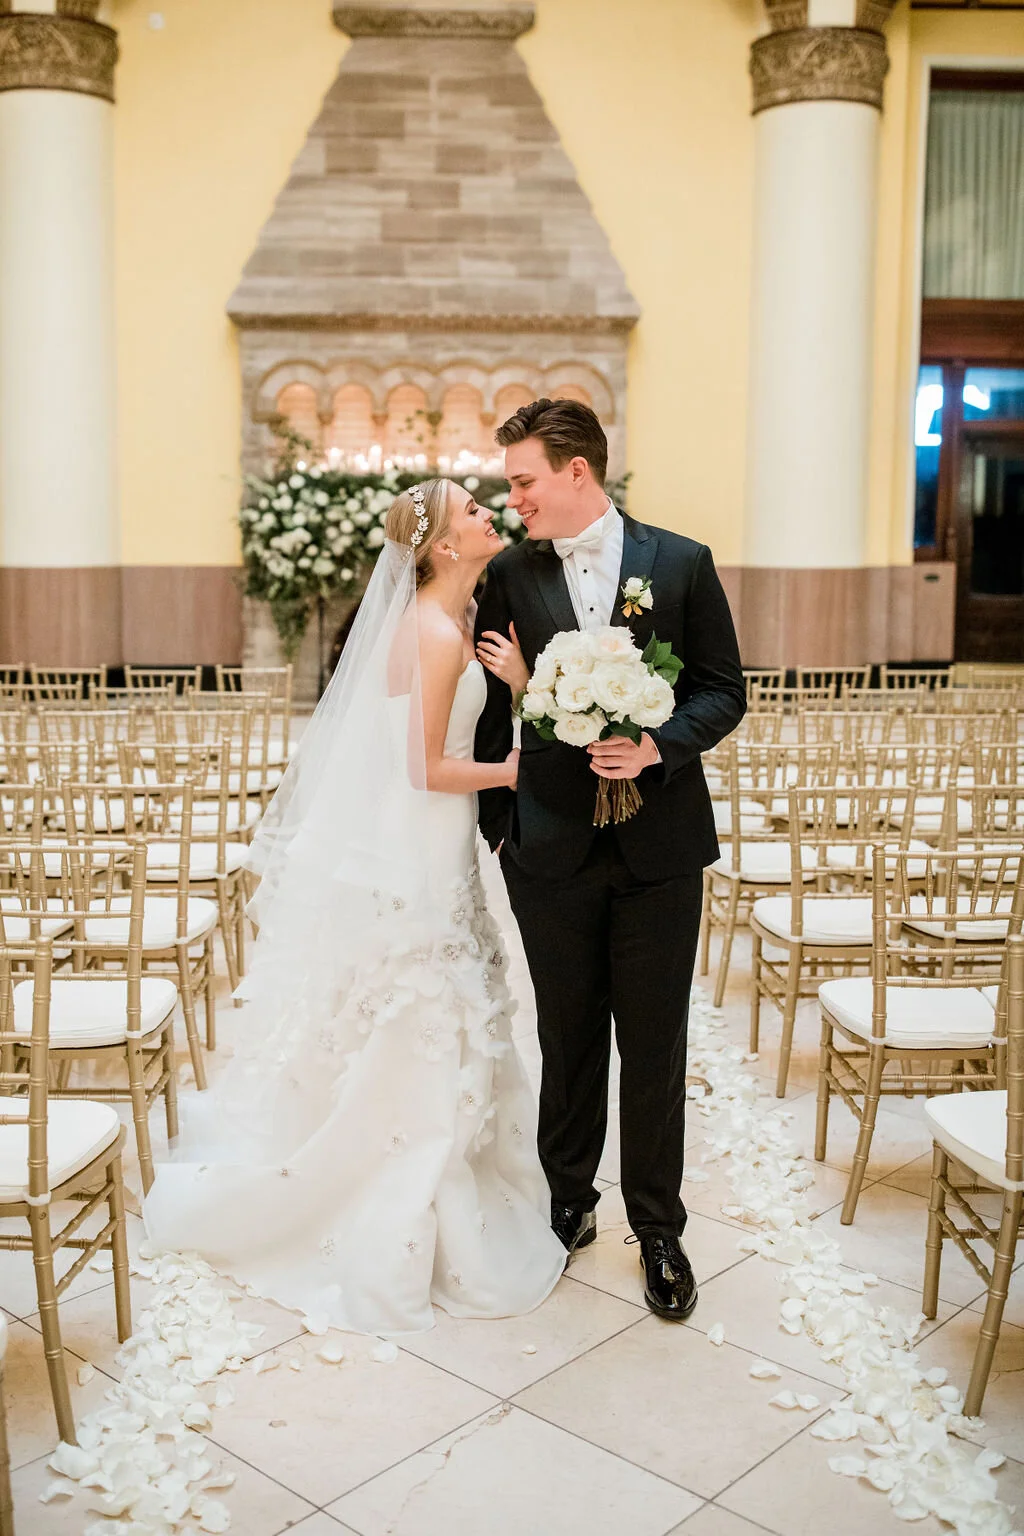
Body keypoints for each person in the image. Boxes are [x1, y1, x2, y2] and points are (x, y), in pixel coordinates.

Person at [144, 479, 566, 1336]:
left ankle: (437, 1146)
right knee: (422, 1004)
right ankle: (399, 1168)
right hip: (421, 836)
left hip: (433, 843)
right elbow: (426, 769)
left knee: (444, 1001)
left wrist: (520, 689)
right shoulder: (430, 633)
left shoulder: (452, 624)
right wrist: (518, 770)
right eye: (474, 513)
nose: (491, 516)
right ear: (445, 546)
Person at [474, 399, 746, 1322]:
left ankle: (659, 1228)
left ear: (576, 472)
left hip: (661, 845)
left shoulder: (681, 561)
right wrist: (497, 818)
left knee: (655, 1040)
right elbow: (485, 706)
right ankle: (566, 1201)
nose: (513, 500)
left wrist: (659, 744)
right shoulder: (510, 573)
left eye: (523, 481)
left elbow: (722, 690)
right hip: (548, 843)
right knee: (567, 1030)